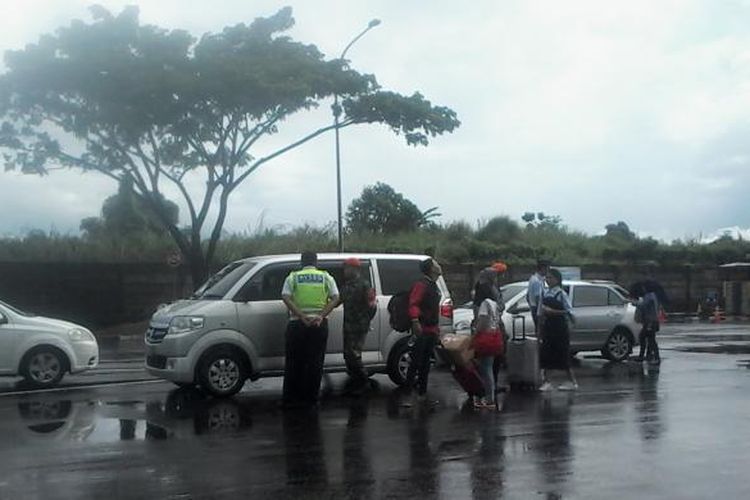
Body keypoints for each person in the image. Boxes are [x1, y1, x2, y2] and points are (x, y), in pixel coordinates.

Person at [280, 251, 340, 409]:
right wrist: (321, 315)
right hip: (319, 324)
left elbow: (285, 296)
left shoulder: (293, 277)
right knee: (315, 362)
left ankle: (291, 399)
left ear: (301, 262)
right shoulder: (326, 277)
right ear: (316, 262)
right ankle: (311, 399)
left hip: (297, 324)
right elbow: (336, 297)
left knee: (294, 362)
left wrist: (301, 316)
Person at [404, 258, 443, 407]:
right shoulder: (422, 284)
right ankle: (407, 395)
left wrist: (437, 330)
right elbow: (413, 303)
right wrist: (415, 321)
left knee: (426, 363)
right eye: (436, 264)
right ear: (431, 269)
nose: (439, 265)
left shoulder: (434, 285)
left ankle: (422, 394)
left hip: (431, 329)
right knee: (415, 362)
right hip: (423, 329)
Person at [538, 268, 577, 391]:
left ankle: (572, 381)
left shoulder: (561, 294)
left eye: (551, 278)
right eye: (547, 278)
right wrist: (540, 328)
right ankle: (547, 381)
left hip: (559, 327)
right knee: (547, 354)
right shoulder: (544, 293)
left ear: (557, 279)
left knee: (562, 355)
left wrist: (553, 311)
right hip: (548, 327)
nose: (548, 280)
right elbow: (540, 312)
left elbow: (569, 311)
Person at [340, 257, 374, 395]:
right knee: (347, 355)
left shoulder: (365, 285)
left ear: (355, 269)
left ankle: (364, 382)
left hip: (359, 326)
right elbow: (338, 300)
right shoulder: (346, 285)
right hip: (348, 325)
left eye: (347, 268)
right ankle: (355, 381)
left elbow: (372, 306)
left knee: (354, 355)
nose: (345, 271)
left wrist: (365, 321)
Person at [472, 281, 504, 409]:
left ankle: (489, 399)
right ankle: (489, 397)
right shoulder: (494, 304)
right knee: (488, 367)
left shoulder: (485, 304)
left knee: (485, 369)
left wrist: (475, 331)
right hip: (494, 337)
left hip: (486, 338)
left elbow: (483, 322)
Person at [633, 283, 661, 364]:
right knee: (645, 338)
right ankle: (646, 356)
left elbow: (643, 305)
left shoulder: (649, 296)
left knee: (650, 340)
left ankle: (655, 357)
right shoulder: (652, 296)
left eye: (644, 288)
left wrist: (635, 303)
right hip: (651, 321)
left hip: (650, 322)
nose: (643, 289)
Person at [527, 260, 550, 333]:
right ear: (543, 268)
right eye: (547, 269)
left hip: (534, 307)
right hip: (537, 308)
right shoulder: (537, 281)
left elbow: (528, 296)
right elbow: (538, 298)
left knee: (538, 329)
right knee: (541, 330)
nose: (547, 271)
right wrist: (540, 311)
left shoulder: (533, 278)